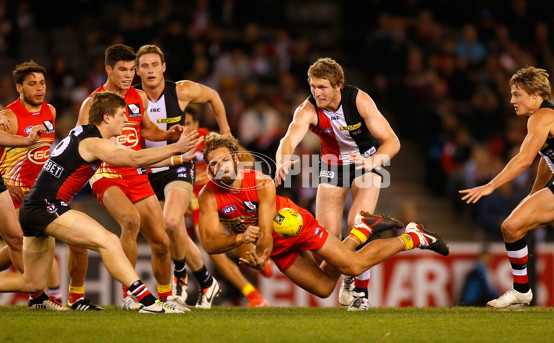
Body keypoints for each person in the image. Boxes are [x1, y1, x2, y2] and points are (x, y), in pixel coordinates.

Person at [0, 91, 200, 314]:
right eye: (121, 114)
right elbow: (134, 159)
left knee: (32, 284)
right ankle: (149, 302)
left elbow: (136, 157)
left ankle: (69, 297)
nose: (126, 119)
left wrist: (180, 158)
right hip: (47, 205)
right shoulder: (94, 143)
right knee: (109, 241)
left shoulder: (87, 135)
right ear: (107, 117)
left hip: (35, 206)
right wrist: (175, 147)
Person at [198, 133, 448, 306]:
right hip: (276, 247)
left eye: (224, 160)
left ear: (234, 158)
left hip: (296, 226)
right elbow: (209, 243)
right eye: (214, 164)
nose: (221, 167)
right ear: (209, 169)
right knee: (325, 288)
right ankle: (360, 232)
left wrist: (262, 255)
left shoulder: (260, 182)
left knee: (352, 266)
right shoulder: (207, 195)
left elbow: (264, 229)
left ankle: (414, 236)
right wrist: (241, 238)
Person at [459, 66, 554, 309]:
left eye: (517, 94)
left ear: (535, 94)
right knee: (511, 227)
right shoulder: (547, 117)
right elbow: (548, 160)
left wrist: (491, 185)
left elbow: (525, 159)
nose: (512, 100)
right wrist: (535, 194)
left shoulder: (541, 118)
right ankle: (522, 291)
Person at [274, 57, 400, 310]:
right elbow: (288, 139)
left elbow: (393, 142)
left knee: (358, 221)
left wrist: (372, 161)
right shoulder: (307, 110)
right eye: (313, 86)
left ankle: (360, 293)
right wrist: (281, 161)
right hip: (332, 163)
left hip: (366, 159)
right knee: (327, 238)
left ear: (338, 86)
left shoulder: (359, 100)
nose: (316, 92)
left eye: (322, 87)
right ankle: (349, 272)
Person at [67, 44, 185, 311]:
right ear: (108, 69)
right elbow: (77, 140)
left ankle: (166, 298)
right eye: (122, 69)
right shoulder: (93, 102)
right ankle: (131, 295)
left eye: (133, 69)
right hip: (106, 172)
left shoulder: (139, 97)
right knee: (131, 221)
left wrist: (167, 135)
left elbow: (145, 129)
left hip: (135, 171)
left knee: (160, 238)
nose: (129, 75)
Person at [135, 45, 230, 308]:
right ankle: (207, 281)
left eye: (155, 65)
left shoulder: (181, 90)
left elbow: (213, 96)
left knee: (172, 221)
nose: (151, 70)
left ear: (164, 67)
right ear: (137, 70)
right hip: (146, 170)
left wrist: (225, 130)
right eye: (145, 66)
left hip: (178, 165)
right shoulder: (132, 98)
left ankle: (179, 276)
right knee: (169, 232)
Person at [185, 108, 269, 307]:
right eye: (181, 124)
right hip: (200, 200)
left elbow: (248, 160)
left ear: (197, 125)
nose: (184, 128)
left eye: (189, 124)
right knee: (213, 249)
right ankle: (252, 294)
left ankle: (258, 258)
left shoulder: (210, 140)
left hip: (223, 192)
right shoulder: (173, 145)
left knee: (239, 231)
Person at [0, 60, 66, 310]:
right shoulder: (8, 116)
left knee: (25, 241)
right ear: (19, 88)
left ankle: (49, 297)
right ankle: (40, 296)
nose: (39, 88)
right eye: (32, 84)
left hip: (37, 191)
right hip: (12, 191)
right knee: (21, 239)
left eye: (42, 83)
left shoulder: (50, 110)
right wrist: (5, 181)